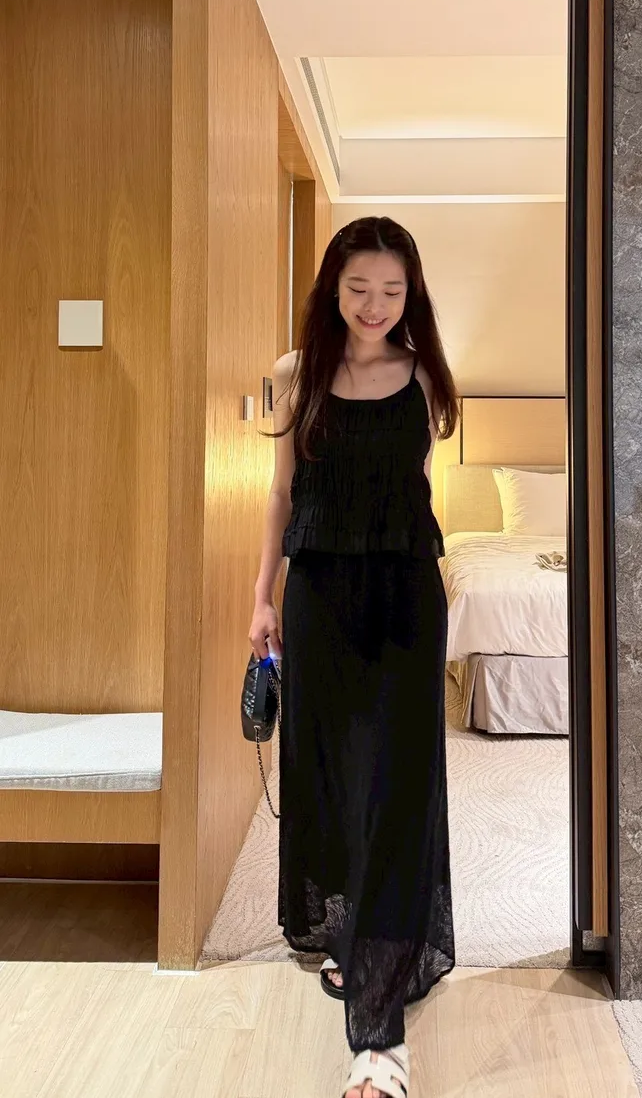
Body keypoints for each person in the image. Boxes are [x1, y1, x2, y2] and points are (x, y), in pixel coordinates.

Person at [249, 216, 459, 1098]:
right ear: (332, 288)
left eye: (393, 291)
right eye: (359, 288)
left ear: (413, 295)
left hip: (406, 598)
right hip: (319, 598)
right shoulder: (297, 373)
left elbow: (415, 489)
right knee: (332, 779)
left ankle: (379, 1044)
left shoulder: (426, 376)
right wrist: (261, 597)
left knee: (398, 787)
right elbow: (281, 493)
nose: (375, 305)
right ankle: (363, 935)